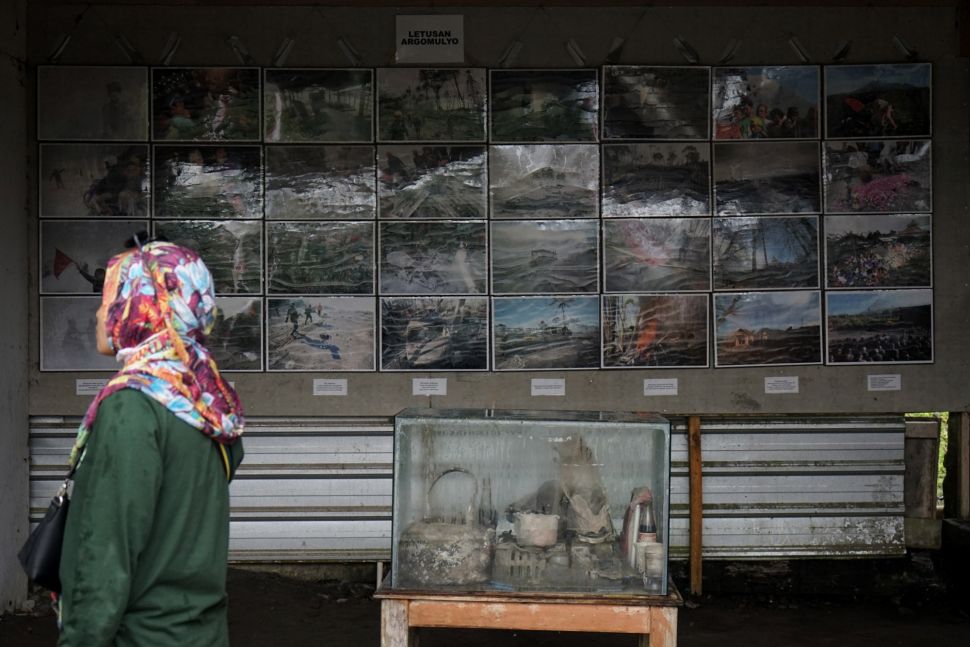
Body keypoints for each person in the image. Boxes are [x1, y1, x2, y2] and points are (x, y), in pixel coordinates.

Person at [57, 237, 245, 647]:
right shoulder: (208, 403)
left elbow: (104, 559)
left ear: (145, 308)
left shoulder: (133, 407)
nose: (99, 311)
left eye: (113, 297)